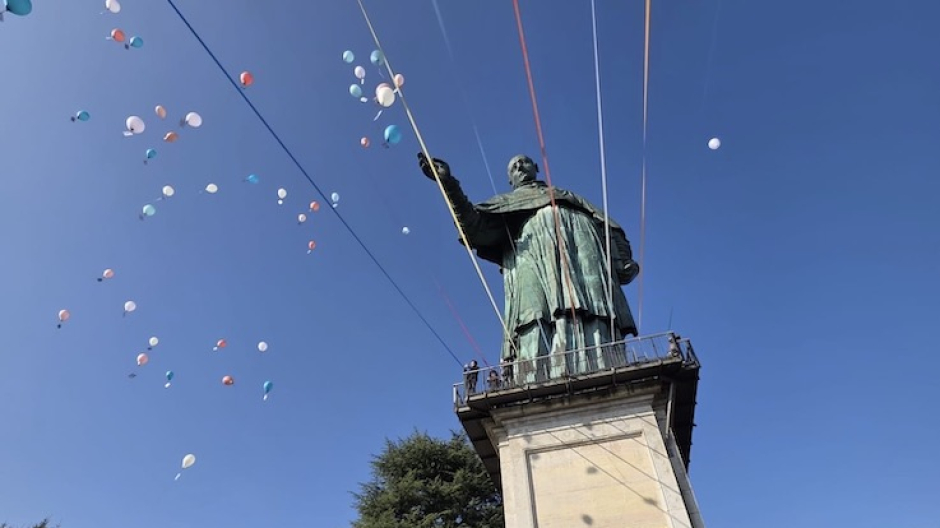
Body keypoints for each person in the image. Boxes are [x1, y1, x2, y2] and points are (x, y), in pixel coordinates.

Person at [418, 153, 640, 384]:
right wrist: (448, 184)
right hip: (531, 256)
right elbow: (473, 226)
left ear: (536, 167)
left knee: (591, 306)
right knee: (534, 313)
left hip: (583, 253)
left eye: (523, 162)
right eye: (513, 166)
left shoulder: (567, 196)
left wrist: (621, 258)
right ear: (510, 180)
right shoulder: (507, 204)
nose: (519, 167)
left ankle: (602, 358)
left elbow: (606, 225)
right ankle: (536, 372)